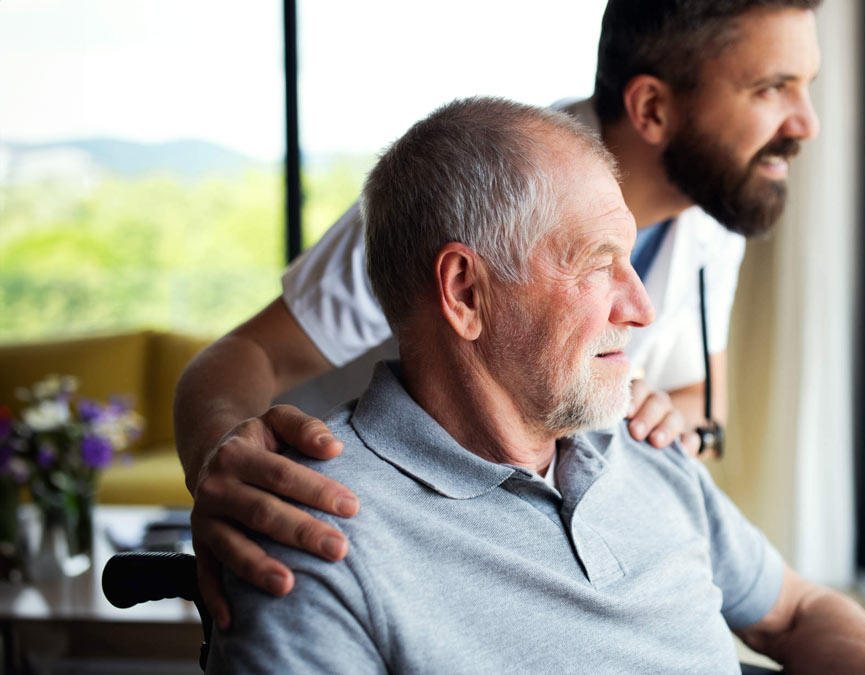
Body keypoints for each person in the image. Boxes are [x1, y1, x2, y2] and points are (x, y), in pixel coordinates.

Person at [206, 96, 865, 675]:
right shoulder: (312, 533)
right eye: (598, 263)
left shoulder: (646, 442)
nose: (639, 308)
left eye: (632, 259)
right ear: (464, 292)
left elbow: (794, 610)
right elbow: (232, 362)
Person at [178, 0, 823, 630]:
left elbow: (703, 401)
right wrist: (223, 469)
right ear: (652, 107)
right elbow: (241, 358)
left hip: (527, 536)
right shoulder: (470, 197)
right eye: (773, 88)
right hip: (372, 541)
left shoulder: (712, 219)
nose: (806, 123)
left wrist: (655, 415)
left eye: (807, 86)